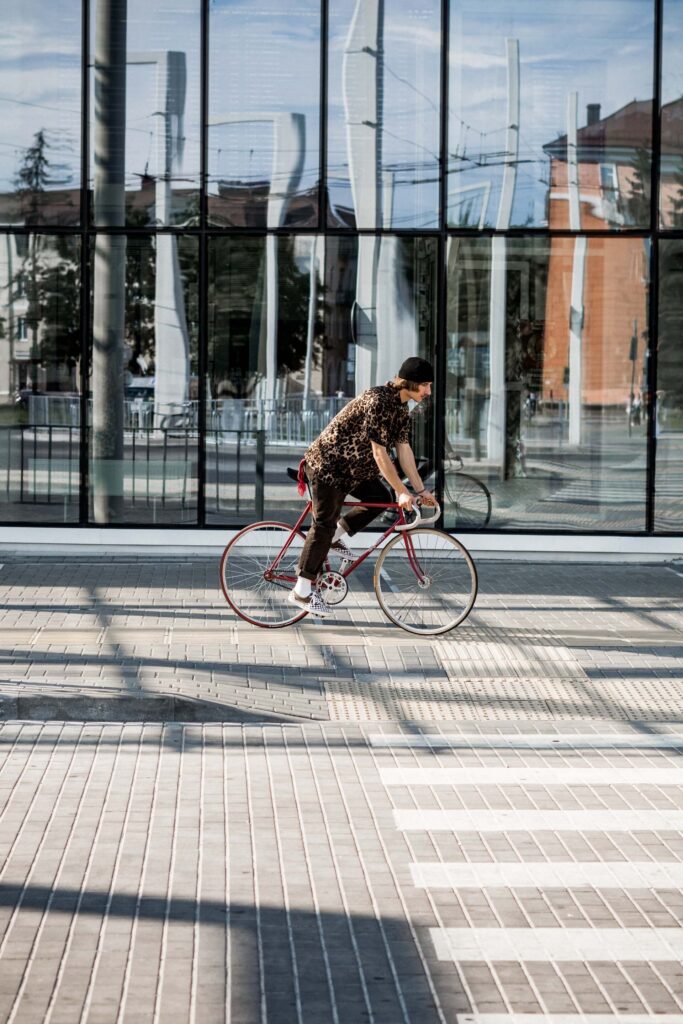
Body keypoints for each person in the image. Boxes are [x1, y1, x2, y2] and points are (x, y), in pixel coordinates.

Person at [289, 356, 437, 618]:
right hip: (329, 466)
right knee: (323, 523)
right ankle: (301, 590)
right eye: (425, 385)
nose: (428, 391)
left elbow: (404, 450)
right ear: (410, 383)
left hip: (354, 471)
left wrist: (421, 490)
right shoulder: (379, 401)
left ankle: (334, 538)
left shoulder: (401, 408)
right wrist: (404, 491)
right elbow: (380, 454)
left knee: (380, 496)